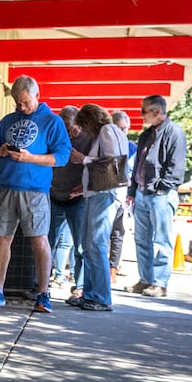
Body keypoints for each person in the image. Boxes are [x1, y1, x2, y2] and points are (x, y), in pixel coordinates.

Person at [0, 75, 72, 312]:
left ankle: (43, 293)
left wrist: (30, 158)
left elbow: (62, 157)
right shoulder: (7, 121)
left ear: (37, 95)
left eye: (25, 103)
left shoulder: (52, 122)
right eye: (18, 104)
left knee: (39, 240)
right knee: (2, 238)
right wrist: (1, 151)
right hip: (6, 186)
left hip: (35, 190)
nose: (21, 108)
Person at [72, 103, 129, 311]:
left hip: (104, 196)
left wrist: (83, 159)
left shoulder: (107, 130)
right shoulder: (114, 132)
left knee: (95, 245)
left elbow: (112, 160)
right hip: (99, 193)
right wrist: (85, 185)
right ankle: (90, 293)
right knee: (89, 246)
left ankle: (102, 297)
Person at [129, 94, 186, 298]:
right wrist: (132, 190)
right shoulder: (147, 134)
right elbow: (138, 164)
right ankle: (145, 280)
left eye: (143, 111)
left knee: (162, 240)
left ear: (157, 111)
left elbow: (176, 168)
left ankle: (160, 283)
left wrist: (161, 187)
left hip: (161, 194)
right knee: (141, 239)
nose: (141, 115)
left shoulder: (175, 133)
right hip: (143, 192)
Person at [48, 105, 88, 302]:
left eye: (73, 129)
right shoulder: (55, 137)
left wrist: (84, 186)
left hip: (78, 199)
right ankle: (41, 284)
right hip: (54, 195)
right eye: (66, 129)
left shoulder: (89, 139)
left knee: (80, 245)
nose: (70, 133)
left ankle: (80, 287)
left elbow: (97, 164)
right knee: (48, 242)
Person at [109, 111, 136, 285]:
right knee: (101, 235)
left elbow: (135, 171)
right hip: (105, 193)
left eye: (125, 129)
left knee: (118, 233)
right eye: (119, 128)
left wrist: (131, 193)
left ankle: (113, 270)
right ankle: (102, 270)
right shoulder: (104, 144)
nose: (122, 132)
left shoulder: (132, 148)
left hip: (122, 196)